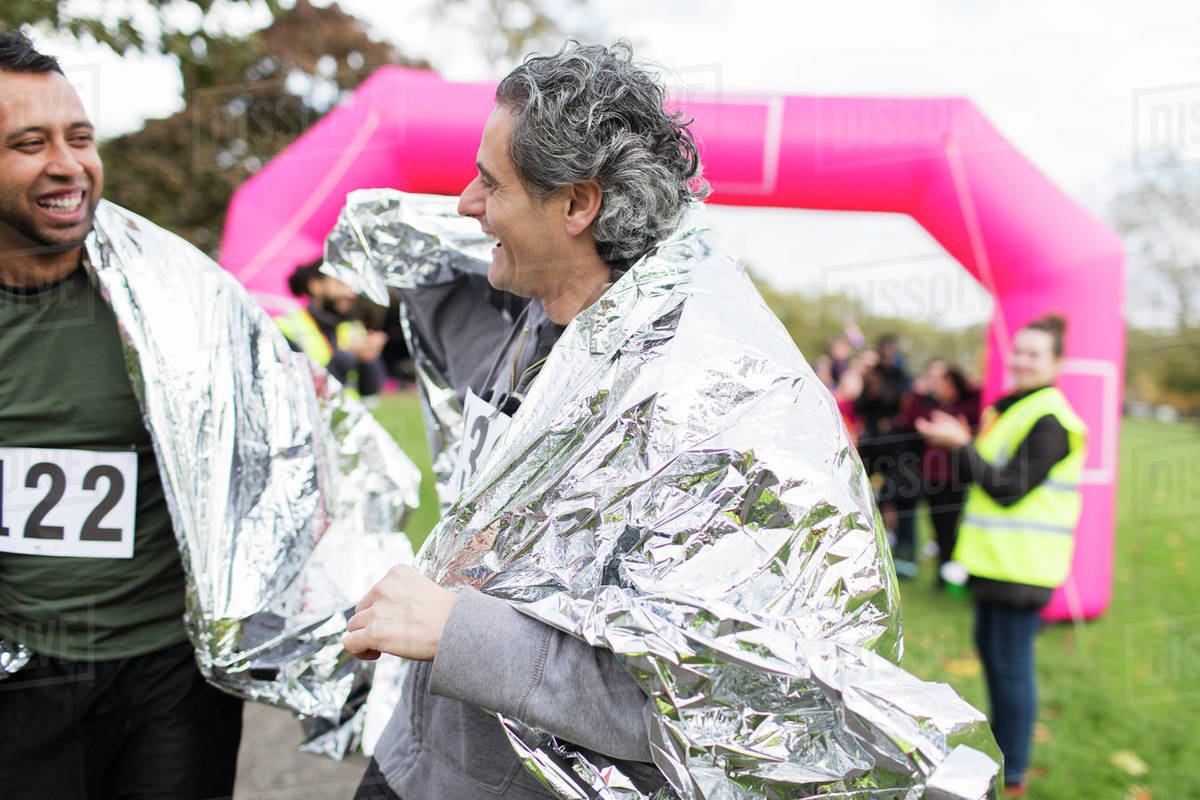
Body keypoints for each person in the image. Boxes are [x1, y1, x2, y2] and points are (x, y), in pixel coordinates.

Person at [334, 42, 1000, 800]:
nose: (465, 203)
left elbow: (733, 707)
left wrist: (458, 634)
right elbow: (454, 310)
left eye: (490, 183)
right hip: (414, 765)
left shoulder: (715, 409)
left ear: (579, 205)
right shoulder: (551, 325)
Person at [0, 30, 242, 797]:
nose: (69, 165)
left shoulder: (176, 295)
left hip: (168, 678)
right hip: (20, 676)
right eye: (28, 143)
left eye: (79, 137)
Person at [916, 314, 1086, 797]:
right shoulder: (1015, 408)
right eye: (1018, 351)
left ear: (1057, 362)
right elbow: (981, 475)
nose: (1022, 360)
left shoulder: (1051, 418)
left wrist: (963, 444)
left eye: (1034, 354)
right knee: (994, 658)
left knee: (1010, 666)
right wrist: (960, 443)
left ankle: (1012, 777)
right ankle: (1002, 757)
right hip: (996, 563)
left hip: (1024, 567)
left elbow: (1008, 489)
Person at [855, 334, 921, 577]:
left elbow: (902, 404)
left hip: (895, 447)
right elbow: (860, 406)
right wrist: (871, 390)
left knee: (900, 498)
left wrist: (882, 392)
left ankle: (904, 556)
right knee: (865, 495)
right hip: (872, 444)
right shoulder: (872, 374)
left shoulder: (900, 377)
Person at [910, 360, 980, 588]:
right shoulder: (934, 406)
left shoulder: (967, 407)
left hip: (953, 477)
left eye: (941, 381)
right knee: (938, 527)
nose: (936, 386)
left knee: (951, 526)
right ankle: (944, 571)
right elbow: (912, 416)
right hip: (932, 475)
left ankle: (954, 572)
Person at [278, 258, 388, 398]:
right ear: (315, 285)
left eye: (353, 284)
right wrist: (349, 355)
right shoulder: (286, 328)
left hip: (347, 418)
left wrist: (368, 360)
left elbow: (370, 389)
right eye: (341, 283)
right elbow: (307, 388)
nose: (350, 293)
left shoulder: (352, 328)